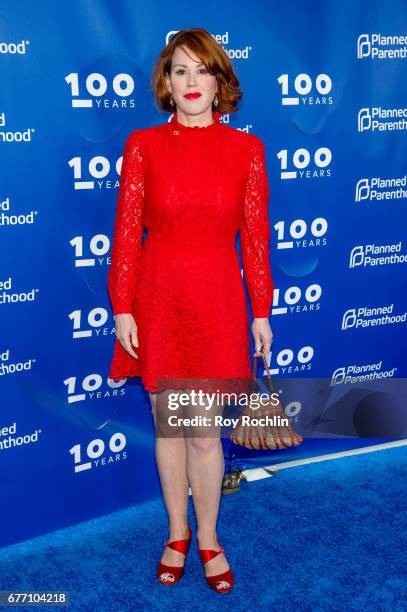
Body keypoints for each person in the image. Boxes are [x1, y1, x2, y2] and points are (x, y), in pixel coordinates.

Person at [107, 27, 274, 593]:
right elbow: (126, 233)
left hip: (219, 296)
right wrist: (122, 306)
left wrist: (262, 311)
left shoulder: (246, 151)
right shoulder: (143, 146)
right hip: (158, 295)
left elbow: (256, 240)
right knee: (168, 426)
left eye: (202, 70)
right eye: (180, 71)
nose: (191, 81)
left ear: (220, 81)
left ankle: (208, 537)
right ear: (166, 83)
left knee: (202, 432)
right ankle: (175, 532)